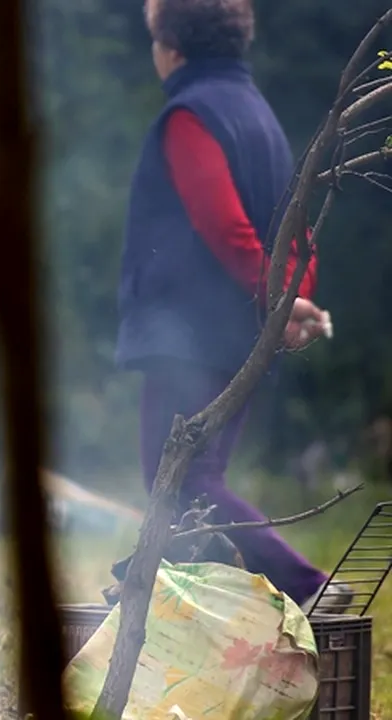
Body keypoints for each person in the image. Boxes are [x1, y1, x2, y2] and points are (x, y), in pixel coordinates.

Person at [115, 0, 349, 612]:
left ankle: (307, 589)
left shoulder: (190, 115)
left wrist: (283, 300)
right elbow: (295, 226)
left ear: (171, 48)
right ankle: (170, 616)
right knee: (191, 493)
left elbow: (224, 226)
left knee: (184, 485)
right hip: (237, 335)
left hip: (186, 337)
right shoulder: (259, 115)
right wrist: (294, 297)